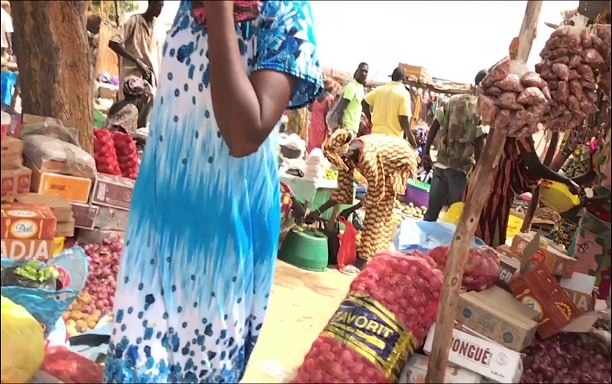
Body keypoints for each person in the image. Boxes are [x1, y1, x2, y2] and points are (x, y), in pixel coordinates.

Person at [103, 1, 322, 383]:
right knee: (133, 371)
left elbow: (243, 133)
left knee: (199, 371)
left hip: (220, 252)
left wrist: (220, 10)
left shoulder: (287, 14)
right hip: (156, 230)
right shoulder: (190, 9)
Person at [304, 129, 419, 274]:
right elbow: (343, 189)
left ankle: (363, 261)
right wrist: (318, 211)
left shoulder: (367, 158)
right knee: (378, 213)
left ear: (344, 153)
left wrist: (351, 209)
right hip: (384, 159)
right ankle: (377, 255)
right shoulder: (347, 155)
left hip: (398, 161)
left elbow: (376, 191)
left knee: (376, 212)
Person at [471, 134, 580, 248]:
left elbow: (478, 139)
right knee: (485, 241)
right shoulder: (522, 132)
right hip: (493, 192)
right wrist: (566, 181)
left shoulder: (510, 128)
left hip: (492, 188)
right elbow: (535, 167)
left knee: (480, 238)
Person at [422, 70, 489, 222]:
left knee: (431, 214)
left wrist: (426, 153)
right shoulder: (481, 109)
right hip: (460, 171)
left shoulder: (452, 100)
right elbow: (479, 143)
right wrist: (480, 171)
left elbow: (434, 127)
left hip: (440, 165)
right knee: (454, 218)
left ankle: (425, 245)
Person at [568, 130, 610, 300]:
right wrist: (568, 183)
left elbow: (608, 192)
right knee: (574, 282)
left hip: (604, 229)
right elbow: (593, 174)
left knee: (591, 286)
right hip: (591, 221)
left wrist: (583, 201)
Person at [109, 0, 165, 128]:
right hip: (133, 79)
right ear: (150, 3)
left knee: (144, 122)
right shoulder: (134, 22)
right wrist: (137, 61)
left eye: (162, 6)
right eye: (157, 5)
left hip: (150, 81)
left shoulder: (159, 29)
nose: (159, 9)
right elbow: (113, 43)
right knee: (128, 118)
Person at [361, 67, 416, 147]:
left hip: (375, 137)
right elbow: (403, 118)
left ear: (392, 77)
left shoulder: (380, 89)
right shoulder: (404, 93)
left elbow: (364, 102)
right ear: (404, 80)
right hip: (393, 141)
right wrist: (409, 135)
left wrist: (370, 119)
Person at [336, 62, 368, 134]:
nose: (363, 73)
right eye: (362, 71)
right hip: (347, 126)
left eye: (366, 72)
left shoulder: (361, 87)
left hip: (354, 127)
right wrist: (342, 128)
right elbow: (342, 109)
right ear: (357, 71)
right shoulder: (352, 86)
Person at [307, 78, 336, 152]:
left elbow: (310, 108)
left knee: (312, 144)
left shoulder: (316, 95)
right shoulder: (330, 98)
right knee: (320, 147)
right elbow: (329, 116)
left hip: (313, 124)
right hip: (322, 126)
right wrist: (330, 131)